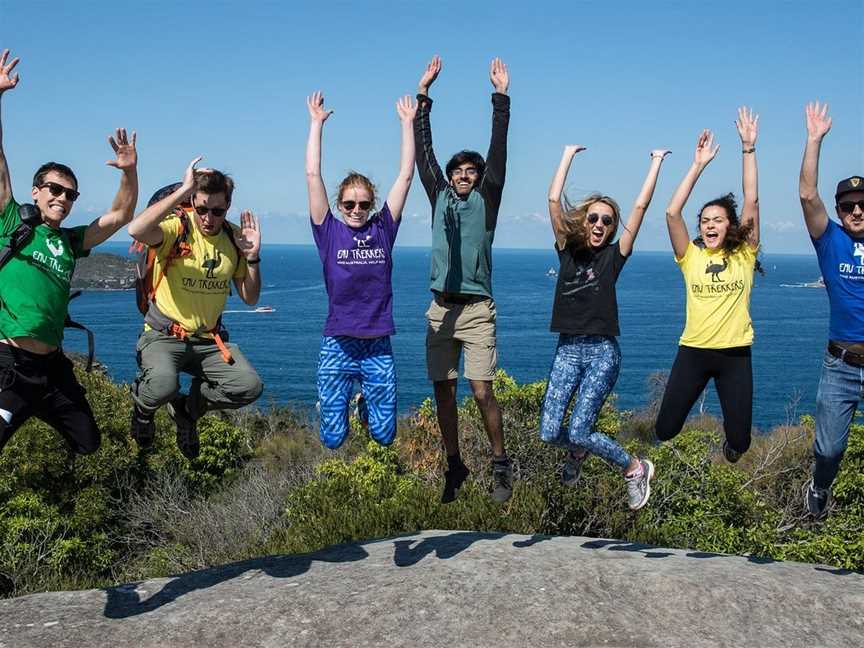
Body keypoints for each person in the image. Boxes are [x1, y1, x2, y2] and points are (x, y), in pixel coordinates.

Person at [0, 49, 139, 456]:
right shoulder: (12, 222)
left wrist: (129, 171)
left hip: (53, 369)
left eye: (70, 193)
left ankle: (32, 406)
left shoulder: (69, 242)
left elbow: (120, 215)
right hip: (9, 364)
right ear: (36, 192)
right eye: (54, 190)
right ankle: (19, 405)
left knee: (88, 442)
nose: (62, 197)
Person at [540, 144, 669, 509]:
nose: (599, 225)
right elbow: (553, 200)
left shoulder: (614, 257)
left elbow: (641, 209)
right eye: (594, 218)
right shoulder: (568, 250)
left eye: (607, 221)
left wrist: (656, 162)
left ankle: (633, 467)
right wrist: (566, 155)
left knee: (580, 429)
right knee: (550, 432)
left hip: (601, 353)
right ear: (584, 221)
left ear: (613, 228)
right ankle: (577, 453)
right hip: (567, 349)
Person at [413, 55, 513, 503]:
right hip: (440, 308)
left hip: (475, 310)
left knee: (481, 389)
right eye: (458, 172)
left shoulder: (487, 199)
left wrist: (501, 99)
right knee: (444, 391)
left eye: (471, 171)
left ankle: (499, 463)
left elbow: (498, 148)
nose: (464, 176)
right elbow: (424, 154)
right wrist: (424, 95)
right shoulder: (439, 197)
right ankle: (455, 465)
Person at [128, 159, 263, 459]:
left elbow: (250, 298)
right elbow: (136, 230)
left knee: (249, 386)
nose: (208, 218)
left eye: (217, 211)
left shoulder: (233, 237)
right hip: (164, 335)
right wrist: (183, 191)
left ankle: (187, 412)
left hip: (208, 341)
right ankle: (143, 406)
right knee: (163, 385)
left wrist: (252, 258)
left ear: (227, 207)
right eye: (201, 209)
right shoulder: (178, 228)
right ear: (192, 204)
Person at [305, 91, 416, 449]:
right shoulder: (329, 232)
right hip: (337, 344)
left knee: (384, 436)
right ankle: (347, 405)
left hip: (377, 346)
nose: (356, 209)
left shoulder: (383, 229)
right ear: (339, 205)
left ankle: (366, 403)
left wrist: (407, 124)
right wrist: (316, 124)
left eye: (364, 203)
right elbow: (312, 174)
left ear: (372, 205)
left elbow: (405, 176)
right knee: (333, 439)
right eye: (349, 203)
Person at [655, 108, 761, 462]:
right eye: (704, 221)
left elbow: (752, 201)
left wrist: (748, 148)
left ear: (730, 225)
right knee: (664, 430)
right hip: (694, 351)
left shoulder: (745, 254)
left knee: (741, 443)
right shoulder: (692, 257)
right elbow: (672, 214)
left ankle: (731, 446)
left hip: (735, 355)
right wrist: (697, 165)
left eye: (717, 220)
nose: (710, 225)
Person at [798, 101, 864, 517]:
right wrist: (814, 139)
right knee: (829, 448)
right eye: (848, 206)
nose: (856, 210)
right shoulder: (830, 240)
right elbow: (807, 194)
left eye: (863, 204)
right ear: (839, 211)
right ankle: (820, 487)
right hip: (841, 364)